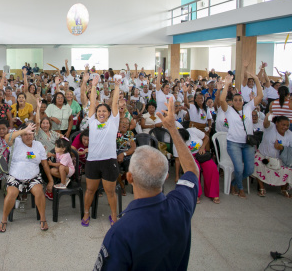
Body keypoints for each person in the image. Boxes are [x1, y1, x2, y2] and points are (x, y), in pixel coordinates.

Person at [94, 95, 199, 270]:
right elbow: (192, 171)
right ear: (165, 177)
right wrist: (173, 129)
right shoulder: (181, 205)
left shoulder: (120, 232)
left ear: (129, 177)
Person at [0, 123, 54, 233]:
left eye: (30, 134)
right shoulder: (16, 142)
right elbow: (6, 137)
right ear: (21, 135)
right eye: (25, 134)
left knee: (39, 192)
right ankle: (4, 220)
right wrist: (22, 130)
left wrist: (51, 180)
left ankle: (43, 218)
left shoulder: (38, 145)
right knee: (11, 193)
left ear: (34, 135)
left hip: (33, 177)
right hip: (15, 176)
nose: (28, 136)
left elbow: (45, 164)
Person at [81, 75, 120, 227]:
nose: (101, 113)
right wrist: (94, 85)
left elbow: (115, 102)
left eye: (104, 111)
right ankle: (86, 213)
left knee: (110, 192)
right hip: (93, 161)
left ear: (109, 113)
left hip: (109, 160)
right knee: (90, 190)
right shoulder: (92, 121)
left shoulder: (113, 122)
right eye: (99, 111)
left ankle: (114, 216)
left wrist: (116, 86)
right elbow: (92, 103)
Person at [218, 70, 263, 199]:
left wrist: (256, 79)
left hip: (248, 143)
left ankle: (233, 183)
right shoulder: (229, 111)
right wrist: (227, 84)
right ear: (232, 101)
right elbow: (222, 100)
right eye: (236, 100)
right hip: (234, 144)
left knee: (249, 170)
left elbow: (260, 96)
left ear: (243, 101)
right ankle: (240, 188)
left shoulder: (248, 108)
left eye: (240, 100)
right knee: (238, 169)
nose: (238, 102)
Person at [175, 128, 220, 204]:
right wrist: (177, 175)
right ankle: (196, 193)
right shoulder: (176, 142)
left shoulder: (193, 131)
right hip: (189, 157)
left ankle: (213, 193)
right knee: (195, 170)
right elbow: (177, 160)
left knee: (212, 167)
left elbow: (206, 138)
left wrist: (202, 147)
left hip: (201, 154)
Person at [253, 114, 292, 197]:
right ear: (277, 123)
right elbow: (266, 123)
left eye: (287, 125)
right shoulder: (270, 127)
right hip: (264, 156)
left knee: (289, 169)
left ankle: (283, 189)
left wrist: (281, 148)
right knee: (257, 163)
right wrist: (268, 114)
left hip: (280, 160)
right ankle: (262, 188)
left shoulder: (290, 134)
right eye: (283, 124)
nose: (285, 127)